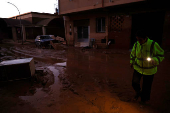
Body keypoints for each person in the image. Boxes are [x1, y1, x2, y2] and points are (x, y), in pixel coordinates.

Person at [130, 30, 164, 103]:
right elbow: (133, 54)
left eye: (140, 40)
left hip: (149, 71)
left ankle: (143, 100)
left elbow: (161, 55)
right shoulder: (136, 44)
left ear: (145, 38)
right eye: (137, 39)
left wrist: (155, 59)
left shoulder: (153, 44)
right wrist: (131, 62)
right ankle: (138, 92)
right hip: (138, 68)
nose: (139, 41)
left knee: (146, 87)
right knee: (134, 83)